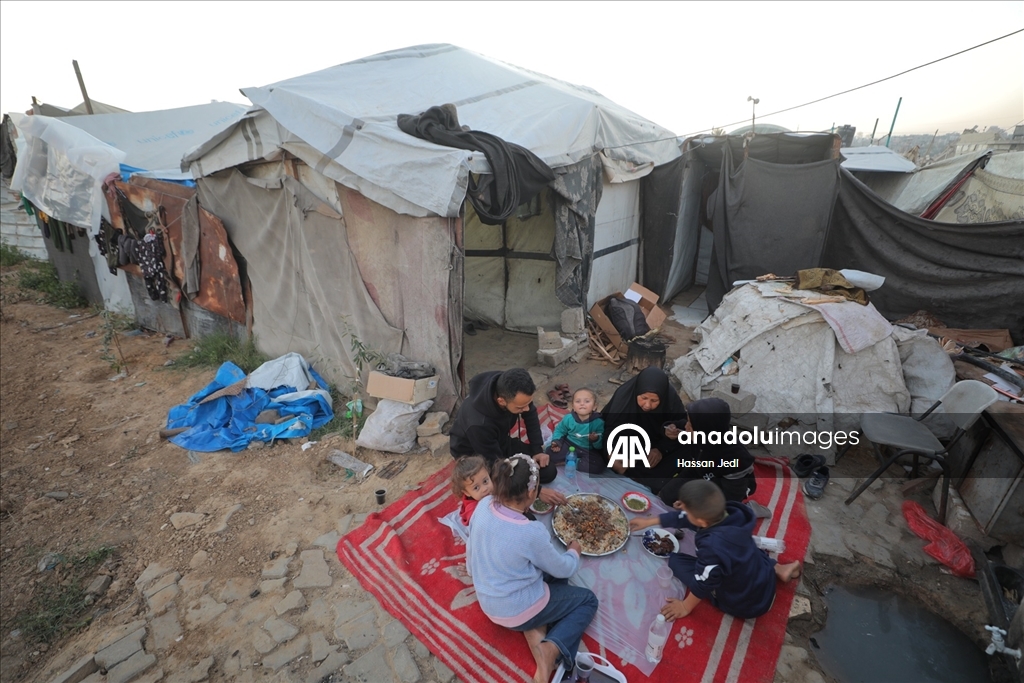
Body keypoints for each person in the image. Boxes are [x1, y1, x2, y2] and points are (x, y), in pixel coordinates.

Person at [468, 455, 599, 683]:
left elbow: (472, 551)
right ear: (531, 493)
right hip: (514, 608)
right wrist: (574, 551)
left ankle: (536, 628)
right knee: (588, 600)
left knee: (547, 572)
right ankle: (550, 648)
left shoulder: (482, 506)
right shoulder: (530, 531)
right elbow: (564, 569)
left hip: (487, 597)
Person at [630, 480, 801, 621]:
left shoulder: (712, 546)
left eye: (685, 509)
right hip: (762, 576)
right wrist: (649, 522)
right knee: (747, 549)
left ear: (701, 521)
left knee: (676, 562)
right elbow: (686, 518)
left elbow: (705, 581)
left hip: (747, 603)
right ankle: (778, 568)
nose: (681, 510)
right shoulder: (732, 513)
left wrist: (684, 606)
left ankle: (775, 571)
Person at [450, 368, 566, 507]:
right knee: (507, 491)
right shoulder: (479, 424)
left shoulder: (506, 384)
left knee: (548, 471)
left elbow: (530, 414)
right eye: (520, 407)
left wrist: (537, 450)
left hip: (500, 440)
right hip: (477, 455)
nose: (526, 409)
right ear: (501, 401)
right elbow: (495, 464)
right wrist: (537, 491)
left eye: (528, 403)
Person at [656, 398, 758, 508]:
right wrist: (668, 429)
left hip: (722, 485)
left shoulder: (733, 457)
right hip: (699, 468)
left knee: (701, 514)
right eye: (688, 421)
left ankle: (750, 509)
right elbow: (676, 425)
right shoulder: (700, 429)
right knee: (666, 496)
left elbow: (730, 498)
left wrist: (695, 508)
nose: (686, 427)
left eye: (690, 425)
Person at [601, 367, 687, 492]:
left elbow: (682, 426)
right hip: (630, 445)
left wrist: (661, 449)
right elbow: (609, 428)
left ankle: (645, 478)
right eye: (643, 398)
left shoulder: (670, 400)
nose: (647, 405)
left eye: (654, 400)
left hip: (657, 445)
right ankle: (634, 473)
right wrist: (611, 453)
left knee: (687, 447)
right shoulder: (624, 397)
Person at [545, 388, 605, 474]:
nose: (582, 404)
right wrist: (557, 442)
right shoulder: (568, 418)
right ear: (573, 406)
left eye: (587, 401)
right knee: (549, 454)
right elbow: (560, 431)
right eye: (578, 401)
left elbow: (600, 445)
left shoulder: (599, 423)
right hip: (568, 444)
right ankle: (570, 459)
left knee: (598, 465)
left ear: (595, 406)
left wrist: (595, 440)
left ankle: (572, 462)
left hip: (587, 449)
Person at [451, 455, 493, 526]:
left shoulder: (486, 493)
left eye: (485, 481)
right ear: (466, 492)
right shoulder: (474, 512)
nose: (484, 489)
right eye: (476, 488)